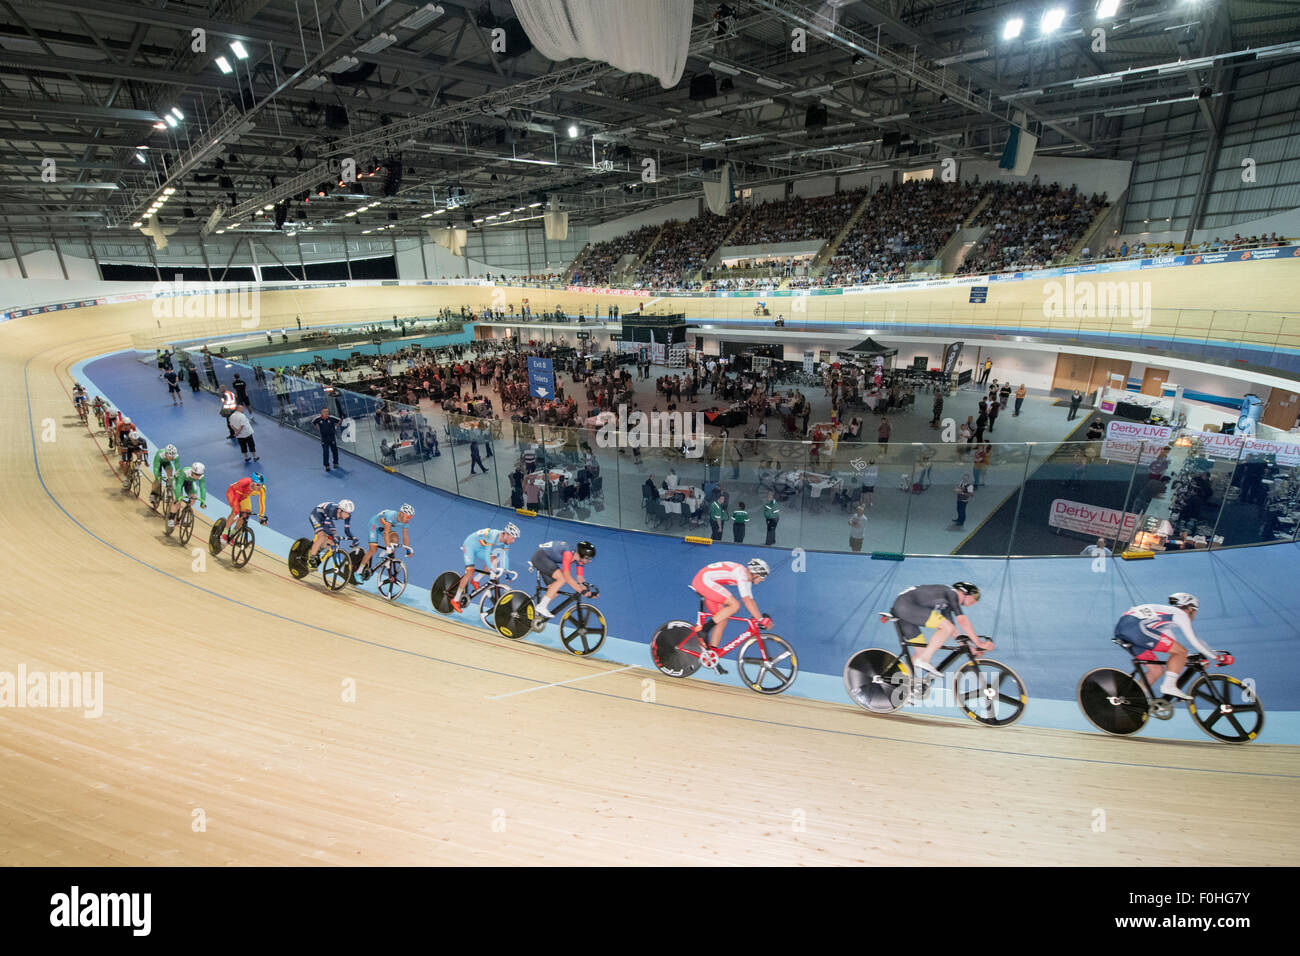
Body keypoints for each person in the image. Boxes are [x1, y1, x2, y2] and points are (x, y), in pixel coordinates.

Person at [1113, 594, 1226, 701]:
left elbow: (1172, 645)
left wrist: (1189, 657)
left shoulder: (1166, 617)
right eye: (1195, 611)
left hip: (1124, 628)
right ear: (1190, 609)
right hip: (1135, 627)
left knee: (1156, 670)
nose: (1195, 615)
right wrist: (1217, 658)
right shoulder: (1180, 615)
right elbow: (1194, 641)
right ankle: (1169, 686)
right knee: (1180, 652)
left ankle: (1135, 699)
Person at [687, 558, 772, 674]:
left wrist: (760, 618)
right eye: (762, 577)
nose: (763, 580)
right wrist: (760, 619)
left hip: (707, 581)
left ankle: (712, 657)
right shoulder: (742, 575)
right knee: (735, 605)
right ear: (755, 574)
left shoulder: (746, 577)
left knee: (722, 619)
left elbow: (751, 600)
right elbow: (746, 601)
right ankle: (705, 629)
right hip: (703, 580)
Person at [891, 582, 992, 677]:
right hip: (906, 605)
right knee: (946, 628)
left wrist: (967, 647)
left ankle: (897, 679)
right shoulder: (952, 592)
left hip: (903, 609)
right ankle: (924, 660)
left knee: (920, 652)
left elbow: (952, 630)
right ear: (963, 592)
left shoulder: (947, 604)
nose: (975, 601)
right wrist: (978, 643)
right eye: (975, 597)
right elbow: (962, 620)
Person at [450, 522, 519, 611]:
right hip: (470, 546)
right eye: (513, 538)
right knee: (470, 571)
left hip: (480, 547)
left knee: (494, 560)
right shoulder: (493, 535)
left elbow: (505, 556)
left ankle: (476, 580)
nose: (513, 541)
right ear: (507, 534)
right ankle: (455, 600)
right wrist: (491, 568)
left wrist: (506, 571)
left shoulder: (506, 541)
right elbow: (487, 554)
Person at [530, 540, 595, 625]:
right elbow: (567, 577)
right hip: (540, 557)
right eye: (588, 558)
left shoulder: (579, 559)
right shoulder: (568, 554)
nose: (589, 561)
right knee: (562, 579)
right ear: (582, 555)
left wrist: (587, 590)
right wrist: (581, 590)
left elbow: (580, 577)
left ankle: (535, 612)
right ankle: (541, 606)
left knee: (553, 592)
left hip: (547, 560)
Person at [360, 504, 416, 581]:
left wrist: (407, 549)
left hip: (383, 527)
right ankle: (358, 571)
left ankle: (385, 556)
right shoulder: (391, 515)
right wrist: (388, 546)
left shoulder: (405, 522)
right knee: (373, 550)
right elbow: (386, 533)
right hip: (374, 526)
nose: (409, 519)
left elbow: (405, 536)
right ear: (402, 514)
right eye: (409, 517)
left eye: (411, 517)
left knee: (395, 538)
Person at [307, 499, 357, 568]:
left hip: (326, 517)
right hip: (316, 515)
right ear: (340, 510)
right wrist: (333, 536)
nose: (348, 515)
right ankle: (311, 559)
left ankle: (317, 551)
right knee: (322, 536)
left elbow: (347, 530)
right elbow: (325, 528)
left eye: (350, 513)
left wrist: (353, 537)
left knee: (333, 539)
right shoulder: (332, 510)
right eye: (346, 513)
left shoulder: (347, 515)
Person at [222, 473, 267, 542]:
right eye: (258, 485)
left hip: (244, 496)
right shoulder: (244, 483)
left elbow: (262, 503)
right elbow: (236, 500)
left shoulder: (262, 489)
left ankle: (232, 534)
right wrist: (237, 512)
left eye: (261, 485)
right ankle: (224, 533)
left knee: (246, 515)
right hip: (233, 493)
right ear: (252, 483)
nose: (260, 487)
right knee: (235, 512)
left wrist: (261, 518)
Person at [151, 443, 181, 521]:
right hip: (158, 462)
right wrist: (158, 477)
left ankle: (168, 488)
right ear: (166, 453)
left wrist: (176, 476)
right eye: (170, 456)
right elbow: (156, 468)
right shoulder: (160, 455)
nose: (171, 458)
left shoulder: (176, 457)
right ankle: (153, 493)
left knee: (170, 474)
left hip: (166, 463)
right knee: (158, 480)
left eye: (172, 457)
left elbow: (177, 469)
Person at [310, 407, 341, 472]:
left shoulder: (331, 417)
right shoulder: (318, 418)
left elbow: (340, 420)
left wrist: (335, 427)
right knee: (325, 452)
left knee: (334, 451)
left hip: (332, 437)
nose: (326, 413)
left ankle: (335, 463)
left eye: (327, 411)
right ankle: (327, 466)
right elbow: (313, 422)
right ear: (322, 412)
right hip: (324, 438)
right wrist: (318, 429)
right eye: (325, 412)